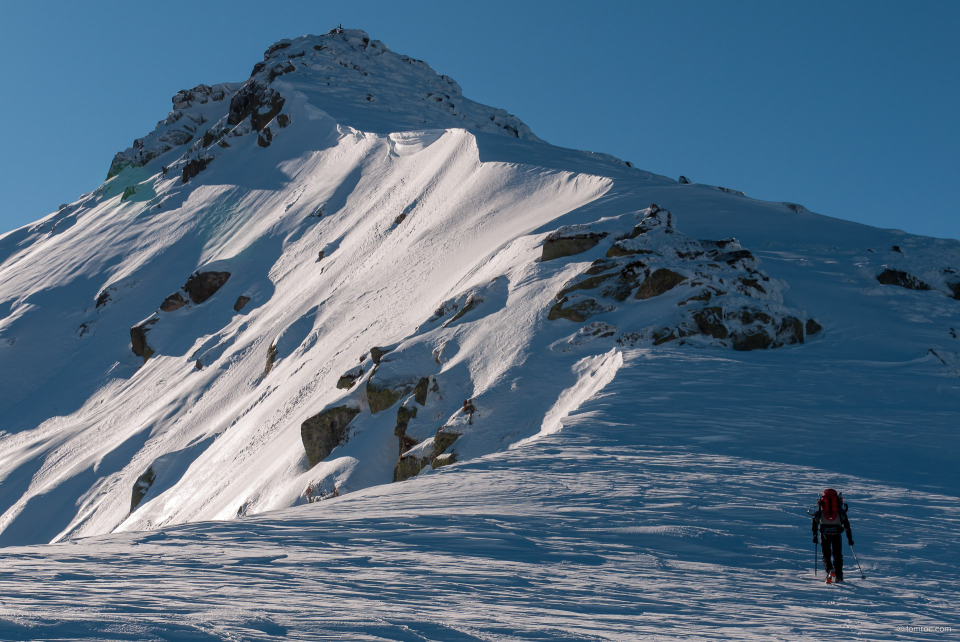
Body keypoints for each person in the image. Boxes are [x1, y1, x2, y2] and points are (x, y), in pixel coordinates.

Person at [811, 488, 854, 583]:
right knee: (837, 555)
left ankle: (830, 570)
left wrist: (814, 536)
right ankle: (839, 575)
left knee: (826, 555)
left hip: (824, 534)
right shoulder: (839, 511)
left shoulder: (821, 510)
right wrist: (850, 539)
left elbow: (814, 523)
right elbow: (847, 525)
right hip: (837, 534)